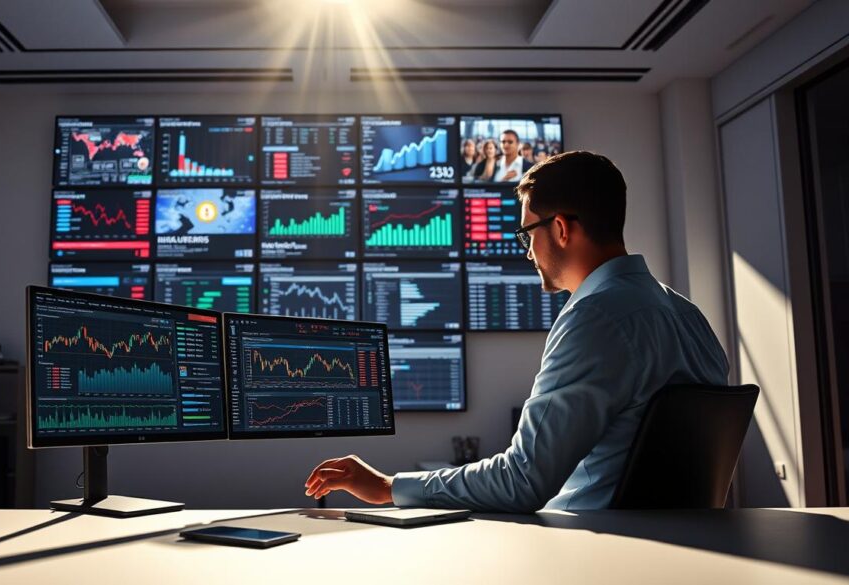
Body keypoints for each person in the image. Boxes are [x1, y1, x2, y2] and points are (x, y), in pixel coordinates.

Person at [305, 151, 730, 513]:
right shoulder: (687, 314)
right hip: (672, 548)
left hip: (594, 551)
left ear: (561, 229)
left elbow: (523, 481)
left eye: (527, 232)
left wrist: (388, 487)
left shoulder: (593, 318)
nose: (526, 250)